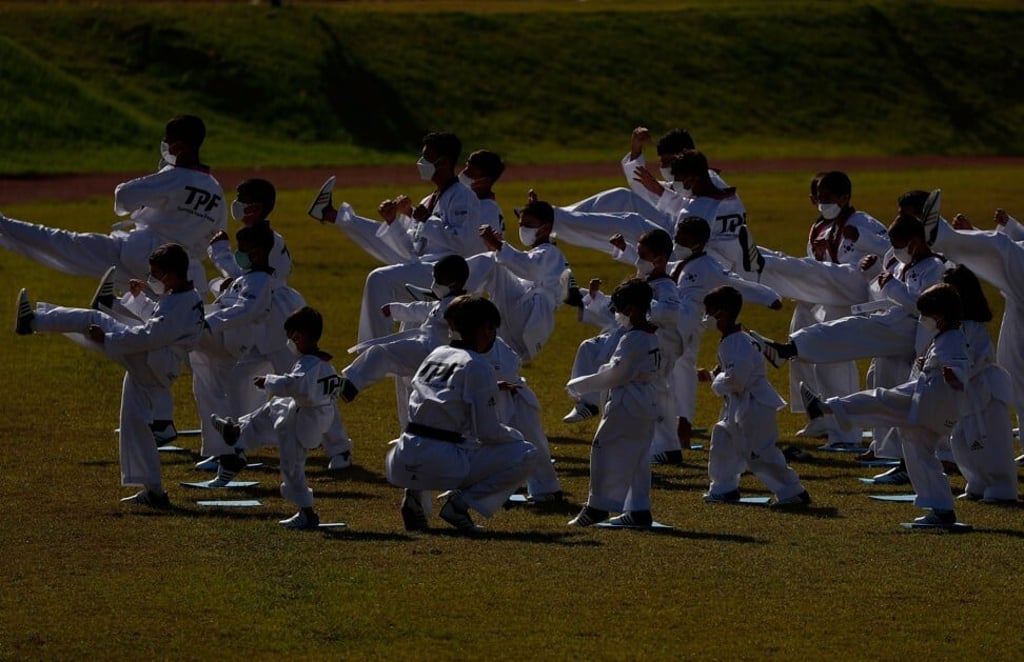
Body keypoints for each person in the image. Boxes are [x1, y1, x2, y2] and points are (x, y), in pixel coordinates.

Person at [14, 243, 205, 507]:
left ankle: (34, 321)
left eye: (155, 274)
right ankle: (154, 492)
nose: (152, 280)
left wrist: (109, 338)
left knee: (94, 320)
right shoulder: (184, 297)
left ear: (171, 275)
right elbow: (159, 321)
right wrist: (139, 299)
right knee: (134, 423)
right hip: (156, 362)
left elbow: (152, 333)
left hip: (154, 362)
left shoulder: (181, 303)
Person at [209, 178, 353, 470]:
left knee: (304, 381)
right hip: (262, 320)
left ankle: (339, 448)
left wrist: (220, 253)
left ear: (257, 207)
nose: (236, 205)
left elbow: (249, 276)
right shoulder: (258, 234)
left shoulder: (267, 239)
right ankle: (236, 447)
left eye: (242, 200)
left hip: (278, 317)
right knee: (239, 380)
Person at [801, 283, 969, 528]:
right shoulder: (944, 336)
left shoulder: (953, 339)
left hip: (930, 401)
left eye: (925, 315)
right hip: (927, 398)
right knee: (916, 451)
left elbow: (960, 366)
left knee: (879, 400)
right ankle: (941, 509)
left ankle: (826, 409)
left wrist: (953, 373)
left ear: (940, 317)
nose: (922, 320)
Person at [0, 115, 226, 291]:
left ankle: (4, 226)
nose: (165, 147)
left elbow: (124, 196)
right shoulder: (216, 189)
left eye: (167, 142)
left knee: (64, 243)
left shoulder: (174, 176)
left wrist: (148, 199)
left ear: (179, 147)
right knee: (160, 327)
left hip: (140, 254)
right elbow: (217, 237)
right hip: (185, 272)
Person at [308, 132, 485, 342]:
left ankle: (368, 354)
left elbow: (462, 244)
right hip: (424, 270)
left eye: (427, 157)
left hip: (449, 275)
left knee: (378, 279)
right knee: (411, 340)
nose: (421, 162)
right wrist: (393, 222)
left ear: (444, 162)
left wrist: (427, 221)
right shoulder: (430, 199)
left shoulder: (462, 197)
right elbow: (412, 249)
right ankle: (331, 215)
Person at [385, 295, 538, 532]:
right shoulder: (478, 365)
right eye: (493, 329)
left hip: (401, 459)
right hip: (440, 463)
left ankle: (414, 498)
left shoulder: (436, 355)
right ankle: (459, 505)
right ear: (486, 329)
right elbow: (487, 432)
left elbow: (437, 398)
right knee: (526, 452)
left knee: (439, 430)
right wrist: (515, 436)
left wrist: (489, 388)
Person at [209, 306, 344, 528]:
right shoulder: (324, 363)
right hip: (311, 413)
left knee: (292, 466)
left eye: (291, 337)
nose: (289, 342)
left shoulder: (308, 365)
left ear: (299, 337)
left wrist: (268, 381)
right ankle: (238, 432)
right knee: (274, 407)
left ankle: (307, 513)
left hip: (306, 421)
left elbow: (293, 384)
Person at [923, 192, 1024, 448]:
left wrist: (967, 239)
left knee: (1002, 247)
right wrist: (974, 236)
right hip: (1018, 305)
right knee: (1017, 373)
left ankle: (943, 237)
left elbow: (1010, 252)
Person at [697, 286, 810, 507]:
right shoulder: (732, 339)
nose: (706, 318)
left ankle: (792, 491)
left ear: (724, 313)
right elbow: (730, 372)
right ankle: (724, 487)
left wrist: (716, 382)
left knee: (760, 452)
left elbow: (737, 378)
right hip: (738, 405)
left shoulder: (737, 341)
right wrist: (712, 375)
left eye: (709, 313)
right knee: (722, 441)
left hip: (754, 405)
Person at [566, 279, 661, 527]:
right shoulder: (650, 334)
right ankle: (639, 509)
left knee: (603, 449)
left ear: (631, 310)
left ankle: (597, 507)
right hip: (646, 402)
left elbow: (616, 374)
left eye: (618, 310)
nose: (616, 315)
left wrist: (579, 385)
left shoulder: (633, 339)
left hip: (627, 403)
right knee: (638, 455)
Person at [190, 223, 276, 482]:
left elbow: (244, 310)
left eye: (244, 250)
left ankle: (229, 452)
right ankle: (222, 451)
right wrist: (219, 249)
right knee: (206, 390)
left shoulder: (261, 280)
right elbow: (232, 275)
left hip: (229, 341)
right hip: (218, 337)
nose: (240, 254)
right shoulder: (249, 274)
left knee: (173, 327)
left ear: (259, 252)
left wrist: (209, 322)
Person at [940, 266, 1018, 503]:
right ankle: (977, 480)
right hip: (961, 393)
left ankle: (1001, 485)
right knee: (962, 440)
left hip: (982, 390)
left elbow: (976, 359)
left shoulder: (974, 329)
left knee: (990, 439)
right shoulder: (947, 329)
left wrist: (957, 373)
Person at [469, 199, 568, 360]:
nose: (523, 229)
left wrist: (497, 245)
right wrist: (497, 247)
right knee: (495, 367)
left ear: (545, 228)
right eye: (521, 224)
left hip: (529, 317)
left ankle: (450, 286)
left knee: (492, 262)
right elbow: (521, 273)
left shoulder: (551, 253)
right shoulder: (544, 255)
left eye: (528, 224)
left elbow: (528, 267)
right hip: (521, 322)